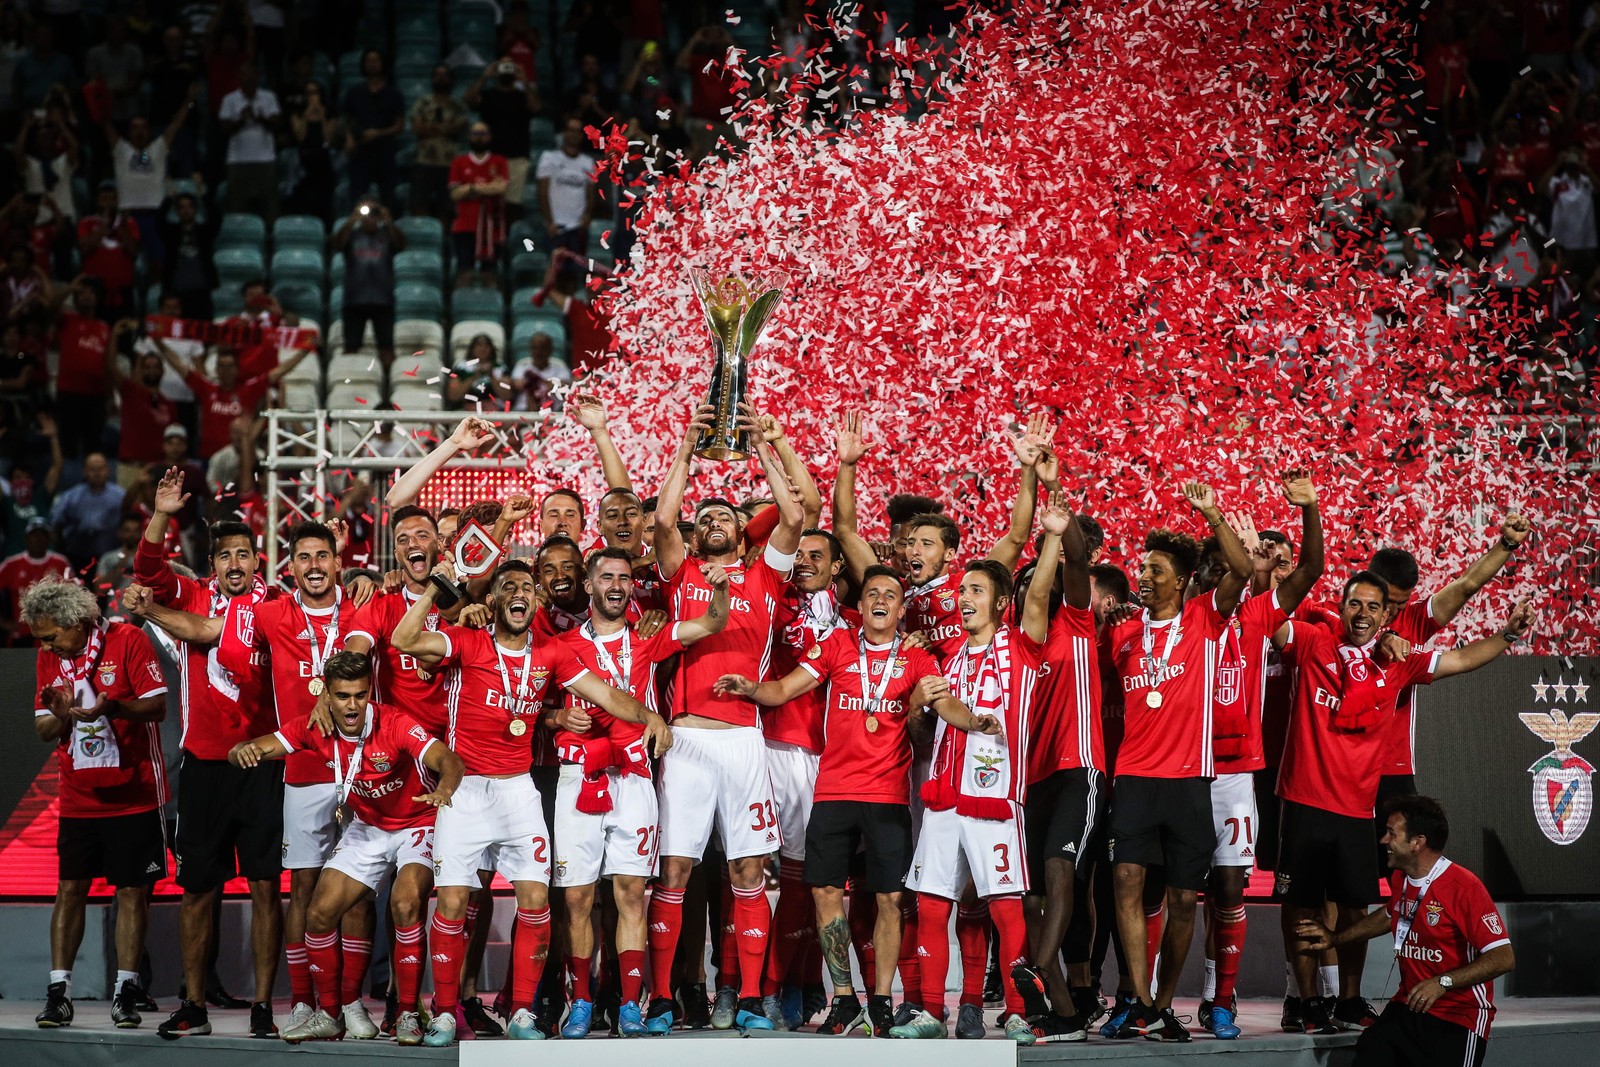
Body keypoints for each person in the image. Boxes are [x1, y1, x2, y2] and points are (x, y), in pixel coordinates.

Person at [390, 557, 663, 1046]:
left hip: (520, 791)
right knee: (453, 900)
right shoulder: (470, 643)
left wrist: (649, 717)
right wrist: (436, 590)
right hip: (468, 790)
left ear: (535, 601)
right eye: (508, 587)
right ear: (493, 600)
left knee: (537, 900)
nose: (520, 594)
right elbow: (404, 640)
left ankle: (521, 1012)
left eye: (527, 588)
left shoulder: (553, 653)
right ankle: (446, 1012)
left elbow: (605, 694)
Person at [1272, 578, 1534, 1035]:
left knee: (1355, 907)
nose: (1362, 612)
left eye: (1373, 606)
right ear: (1341, 606)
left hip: (1358, 807)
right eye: (1354, 602)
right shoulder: (1314, 641)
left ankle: (1349, 1000)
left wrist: (1508, 635)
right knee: (1301, 906)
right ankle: (1307, 1000)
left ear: (1385, 616)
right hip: (1305, 800)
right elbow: (1273, 624)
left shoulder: (1397, 661)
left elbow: (1460, 659)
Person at [716, 564, 944, 1038]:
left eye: (891, 595)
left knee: (888, 897)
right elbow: (783, 689)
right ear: (859, 607)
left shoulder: (919, 660)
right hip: (834, 790)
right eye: (872, 593)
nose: (880, 599)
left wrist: (924, 706)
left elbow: (924, 731)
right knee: (823, 892)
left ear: (902, 610)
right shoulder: (839, 645)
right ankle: (843, 998)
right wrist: (749, 688)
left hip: (887, 796)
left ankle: (881, 1000)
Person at [641, 404, 804, 1035]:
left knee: (748, 872)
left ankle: (752, 998)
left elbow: (793, 516)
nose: (712, 522)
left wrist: (765, 445)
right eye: (703, 517)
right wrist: (685, 447)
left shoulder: (766, 576)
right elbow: (660, 518)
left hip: (744, 743)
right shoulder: (680, 574)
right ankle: (660, 999)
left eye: (724, 517)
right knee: (675, 869)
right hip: (685, 742)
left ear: (740, 532)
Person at [889, 499, 1065, 1046]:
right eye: (961, 591)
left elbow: (1037, 596)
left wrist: (1053, 537)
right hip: (944, 799)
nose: (964, 599)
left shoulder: (1021, 645)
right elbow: (931, 727)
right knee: (932, 903)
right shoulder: (948, 658)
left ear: (1001, 603)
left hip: (993, 803)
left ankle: (1015, 1012)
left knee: (1005, 907)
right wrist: (924, 708)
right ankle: (929, 1012)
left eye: (976, 591)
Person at [228, 652, 466, 1045]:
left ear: (369, 692)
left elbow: (449, 760)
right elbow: (259, 746)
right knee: (319, 914)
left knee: (405, 903)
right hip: (369, 827)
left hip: (416, 823)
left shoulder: (395, 723)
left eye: (359, 695)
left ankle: (406, 1012)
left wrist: (442, 789)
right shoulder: (314, 727)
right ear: (328, 696)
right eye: (342, 696)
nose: (352, 705)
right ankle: (334, 1013)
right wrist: (243, 751)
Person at [121, 467, 283, 1039]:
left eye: (244, 555)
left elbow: (207, 631)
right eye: (225, 557)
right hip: (203, 767)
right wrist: (162, 514)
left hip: (262, 765)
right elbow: (146, 569)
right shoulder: (193, 589)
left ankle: (264, 1004)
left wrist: (151, 612)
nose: (235, 564)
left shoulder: (274, 607)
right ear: (212, 565)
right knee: (197, 890)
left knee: (266, 887)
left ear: (256, 561)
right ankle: (194, 1004)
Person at [549, 548, 731, 1038]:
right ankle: (582, 1002)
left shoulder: (648, 639)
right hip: (579, 778)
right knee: (578, 900)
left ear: (632, 586)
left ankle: (632, 1003)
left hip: (634, 780)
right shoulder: (562, 645)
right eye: (605, 576)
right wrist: (558, 717)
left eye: (624, 577)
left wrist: (719, 587)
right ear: (588, 586)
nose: (616, 584)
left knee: (631, 893)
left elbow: (712, 624)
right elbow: (535, 704)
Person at [1099, 484, 1252, 1042]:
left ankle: (1165, 1002)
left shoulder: (1205, 619)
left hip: (1191, 779)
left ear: (1181, 578)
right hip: (1135, 778)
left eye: (1155, 569)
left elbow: (1240, 569)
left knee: (1187, 896)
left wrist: (1212, 514)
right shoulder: (1122, 631)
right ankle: (1138, 996)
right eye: (1142, 566)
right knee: (1126, 883)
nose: (1144, 575)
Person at [1189, 471, 1325, 1041]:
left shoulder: (1255, 620)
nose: (1227, 579)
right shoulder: (1179, 624)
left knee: (1227, 887)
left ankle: (1222, 997)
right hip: (1175, 772)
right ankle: (1141, 999)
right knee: (1167, 892)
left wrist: (1309, 510)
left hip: (1233, 777)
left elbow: (1312, 571)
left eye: (1234, 571)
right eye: (1217, 570)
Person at [27, 579, 168, 1030]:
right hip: (78, 796)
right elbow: (44, 731)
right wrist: (63, 713)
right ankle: (59, 992)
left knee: (131, 892)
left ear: (77, 622)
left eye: (51, 635)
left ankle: (126, 990)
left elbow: (158, 706)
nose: (46, 644)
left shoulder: (127, 639)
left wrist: (114, 709)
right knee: (69, 889)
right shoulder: (49, 657)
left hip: (134, 793)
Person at [1298, 795, 1515, 1067]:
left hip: (1458, 1016)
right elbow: (1390, 914)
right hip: (1407, 1007)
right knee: (1370, 1050)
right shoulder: (1401, 878)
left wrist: (1442, 983)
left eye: (1392, 833)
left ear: (1417, 842)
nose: (1384, 841)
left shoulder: (1464, 888)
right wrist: (1334, 939)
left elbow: (1503, 958)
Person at [152, 337, 309, 460]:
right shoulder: (207, 388)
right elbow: (180, 367)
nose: (225, 370)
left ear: (237, 369)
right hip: (208, 457)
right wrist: (159, 343)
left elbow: (278, 372)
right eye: (221, 366)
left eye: (230, 366)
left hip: (239, 457)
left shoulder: (248, 389)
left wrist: (305, 350)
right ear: (216, 369)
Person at [101, 92, 196, 264]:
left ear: (148, 130)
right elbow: (106, 124)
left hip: (155, 216)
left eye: (143, 127)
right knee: (125, 261)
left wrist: (188, 102)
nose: (139, 132)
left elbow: (176, 124)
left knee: (159, 261)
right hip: (128, 217)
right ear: (129, 132)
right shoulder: (121, 150)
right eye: (135, 127)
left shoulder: (158, 149)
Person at [333, 198, 405, 366]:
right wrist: (352, 221)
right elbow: (337, 244)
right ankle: (349, 377)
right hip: (354, 299)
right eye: (367, 213)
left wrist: (388, 221)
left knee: (386, 347)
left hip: (383, 299)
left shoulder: (387, 235)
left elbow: (401, 244)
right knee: (351, 346)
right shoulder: (351, 235)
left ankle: (388, 382)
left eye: (374, 213)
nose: (370, 217)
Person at [465, 59, 539, 221]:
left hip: (517, 156)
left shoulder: (521, 95)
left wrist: (525, 81)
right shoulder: (488, 94)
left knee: (513, 204)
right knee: (490, 201)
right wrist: (484, 76)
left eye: (509, 67)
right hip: (490, 156)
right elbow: (469, 100)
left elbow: (535, 107)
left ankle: (511, 240)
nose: (506, 70)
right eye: (503, 67)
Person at [108, 326, 177, 478]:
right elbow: (111, 368)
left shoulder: (170, 405)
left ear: (162, 371)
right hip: (130, 467)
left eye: (155, 367)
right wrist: (114, 336)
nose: (151, 370)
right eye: (147, 367)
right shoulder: (130, 391)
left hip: (157, 469)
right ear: (140, 370)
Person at [342, 50, 405, 211]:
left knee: (387, 195)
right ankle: (356, 226)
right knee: (357, 193)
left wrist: (378, 133)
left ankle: (387, 227)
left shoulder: (393, 94)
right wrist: (349, 138)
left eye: (376, 60)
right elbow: (347, 119)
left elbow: (399, 126)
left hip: (384, 150)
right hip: (360, 149)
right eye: (369, 60)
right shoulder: (355, 92)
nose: (372, 63)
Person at [218, 62, 282, 221]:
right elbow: (224, 129)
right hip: (238, 160)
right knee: (236, 203)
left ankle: (269, 235)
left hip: (265, 159)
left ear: (257, 77)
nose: (248, 79)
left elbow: (277, 124)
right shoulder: (230, 99)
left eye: (252, 75)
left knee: (270, 204)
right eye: (245, 75)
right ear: (239, 78)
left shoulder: (269, 97)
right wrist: (241, 119)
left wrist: (259, 118)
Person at [449, 123, 509, 288]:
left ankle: (490, 311)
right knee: (464, 271)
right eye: (475, 133)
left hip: (492, 227)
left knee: (490, 273)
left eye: (483, 133)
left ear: (490, 136)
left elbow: (501, 188)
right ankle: (463, 310)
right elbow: (454, 194)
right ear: (469, 136)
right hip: (465, 226)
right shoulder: (459, 162)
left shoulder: (500, 161)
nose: (479, 137)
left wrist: (469, 187)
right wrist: (484, 187)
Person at [0, 516, 73, 645]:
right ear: (27, 538)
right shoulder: (11, 564)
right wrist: (3, 622)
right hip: (21, 632)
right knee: (17, 665)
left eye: (42, 535)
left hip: (54, 632)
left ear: (48, 539)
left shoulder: (60, 562)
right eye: (34, 535)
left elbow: (74, 595)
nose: (38, 539)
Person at [409, 65, 469, 222]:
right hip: (424, 161)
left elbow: (457, 128)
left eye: (445, 75)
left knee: (447, 207)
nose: (441, 78)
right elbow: (417, 128)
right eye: (437, 75)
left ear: (451, 80)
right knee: (419, 203)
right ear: (432, 78)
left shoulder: (458, 105)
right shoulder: (422, 103)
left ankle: (443, 241)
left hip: (449, 163)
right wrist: (443, 129)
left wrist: (430, 128)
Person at [51, 452, 125, 570]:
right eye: (92, 469)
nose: (96, 473)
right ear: (84, 471)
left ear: (108, 470)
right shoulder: (71, 496)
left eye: (100, 468)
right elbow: (57, 524)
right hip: (76, 555)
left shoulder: (120, 496)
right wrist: (60, 549)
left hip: (109, 555)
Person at [77, 183, 142, 316]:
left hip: (122, 289)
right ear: (97, 201)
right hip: (95, 290)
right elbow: (85, 249)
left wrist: (122, 227)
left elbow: (134, 251)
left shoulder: (129, 223)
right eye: (104, 199)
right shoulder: (86, 222)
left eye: (112, 199)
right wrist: (102, 228)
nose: (108, 203)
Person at [535, 117, 597, 254]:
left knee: (576, 271)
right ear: (564, 133)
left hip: (577, 227)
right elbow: (542, 191)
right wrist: (549, 221)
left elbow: (591, 193)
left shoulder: (588, 162)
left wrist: (587, 216)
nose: (574, 134)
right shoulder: (549, 158)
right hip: (556, 226)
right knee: (554, 271)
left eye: (578, 131)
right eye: (571, 130)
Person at [157, 195, 218, 321]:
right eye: (182, 207)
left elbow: (217, 218)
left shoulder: (204, 231)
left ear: (195, 209)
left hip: (201, 291)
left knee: (202, 332)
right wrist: (169, 199)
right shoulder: (171, 231)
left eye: (190, 206)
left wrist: (205, 197)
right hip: (176, 292)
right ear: (177, 211)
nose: (186, 210)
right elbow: (158, 221)